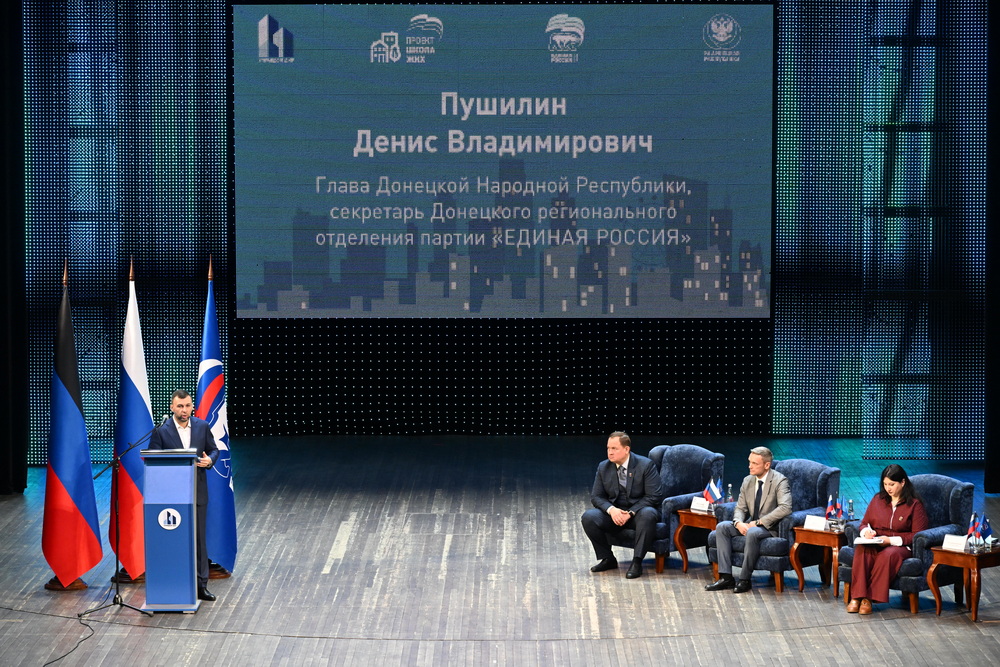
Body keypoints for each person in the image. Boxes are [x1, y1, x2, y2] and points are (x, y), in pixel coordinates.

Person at [149, 389, 220, 602]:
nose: (184, 410)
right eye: (180, 406)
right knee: (174, 539)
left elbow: (213, 449)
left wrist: (210, 460)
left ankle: (201, 586)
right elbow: (153, 461)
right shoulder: (161, 432)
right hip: (171, 496)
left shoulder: (202, 426)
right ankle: (176, 583)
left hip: (197, 492)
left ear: (192, 407)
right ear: (172, 407)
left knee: (199, 541)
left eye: (187, 406)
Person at [705, 446, 791, 593]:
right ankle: (726, 577)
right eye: (749, 462)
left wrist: (758, 523)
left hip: (770, 527)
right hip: (751, 524)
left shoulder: (779, 481)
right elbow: (740, 507)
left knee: (752, 532)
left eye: (754, 463)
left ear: (767, 465)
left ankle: (745, 579)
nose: (749, 466)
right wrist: (738, 522)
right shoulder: (748, 480)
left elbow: (785, 507)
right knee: (722, 527)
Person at [846, 464, 928, 615]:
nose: (888, 488)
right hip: (877, 541)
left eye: (892, 484)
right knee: (862, 550)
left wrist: (890, 541)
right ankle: (856, 596)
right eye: (885, 484)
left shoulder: (914, 505)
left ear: (902, 482)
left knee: (887, 555)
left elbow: (917, 535)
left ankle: (868, 598)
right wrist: (866, 532)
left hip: (900, 546)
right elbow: (864, 523)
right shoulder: (878, 499)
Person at [581, 431, 663, 579]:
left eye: (614, 448)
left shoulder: (645, 465)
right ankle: (608, 558)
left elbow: (654, 496)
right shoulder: (604, 467)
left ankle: (637, 561)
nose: (610, 452)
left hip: (638, 513)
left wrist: (630, 513)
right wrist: (612, 510)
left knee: (649, 514)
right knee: (589, 517)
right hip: (616, 514)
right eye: (608, 448)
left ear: (626, 449)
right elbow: (597, 496)